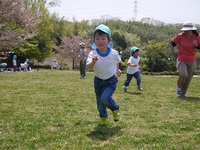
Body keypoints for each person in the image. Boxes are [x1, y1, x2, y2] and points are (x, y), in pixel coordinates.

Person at [86, 24, 122, 124]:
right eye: (97, 38)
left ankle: (115, 109)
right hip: (98, 81)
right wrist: (93, 62)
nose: (100, 41)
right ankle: (103, 117)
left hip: (110, 80)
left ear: (109, 40)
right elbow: (88, 66)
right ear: (94, 41)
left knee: (105, 98)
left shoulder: (113, 53)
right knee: (100, 104)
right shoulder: (93, 54)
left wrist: (117, 70)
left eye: (103, 38)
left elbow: (117, 60)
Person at [171, 21, 200, 97]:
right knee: (183, 74)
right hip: (182, 58)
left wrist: (196, 46)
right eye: (185, 30)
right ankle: (179, 86)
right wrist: (175, 48)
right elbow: (173, 42)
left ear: (192, 30)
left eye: (187, 30)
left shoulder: (197, 37)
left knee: (188, 78)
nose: (185, 32)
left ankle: (183, 93)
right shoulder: (180, 36)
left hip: (191, 59)